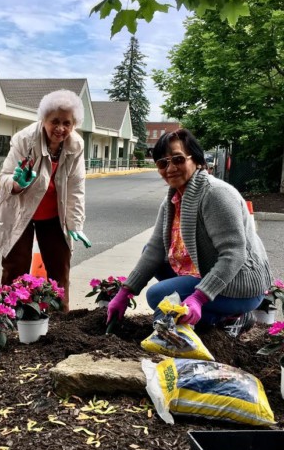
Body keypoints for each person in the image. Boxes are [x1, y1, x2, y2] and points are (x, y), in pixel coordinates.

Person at [107, 128, 272, 337]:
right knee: (150, 253)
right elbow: (154, 251)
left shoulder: (215, 194)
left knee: (158, 295)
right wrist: (125, 292)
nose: (170, 168)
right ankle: (210, 316)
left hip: (239, 284)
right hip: (204, 272)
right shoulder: (172, 200)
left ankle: (233, 317)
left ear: (197, 160)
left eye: (178, 159)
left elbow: (234, 254)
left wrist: (199, 298)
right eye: (162, 163)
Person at [0, 89, 91, 312]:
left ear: (74, 124)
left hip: (55, 212)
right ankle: (8, 317)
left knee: (60, 266)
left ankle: (60, 321)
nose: (61, 128)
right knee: (15, 266)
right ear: (43, 119)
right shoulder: (25, 139)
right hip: (21, 210)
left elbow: (76, 187)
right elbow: (5, 178)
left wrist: (75, 224)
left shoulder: (75, 145)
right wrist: (18, 183)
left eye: (67, 123)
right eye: (54, 121)